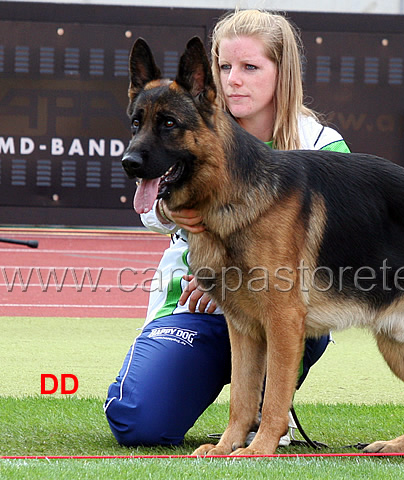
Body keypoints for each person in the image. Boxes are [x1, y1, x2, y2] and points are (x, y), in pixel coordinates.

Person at [104, 9, 350, 447]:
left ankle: (268, 407)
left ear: (283, 73)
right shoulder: (190, 124)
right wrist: (175, 215)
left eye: (250, 67)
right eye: (225, 67)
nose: (234, 79)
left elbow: (344, 239)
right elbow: (149, 212)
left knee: (291, 311)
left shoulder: (320, 143)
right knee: (138, 422)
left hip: (283, 303)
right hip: (193, 303)